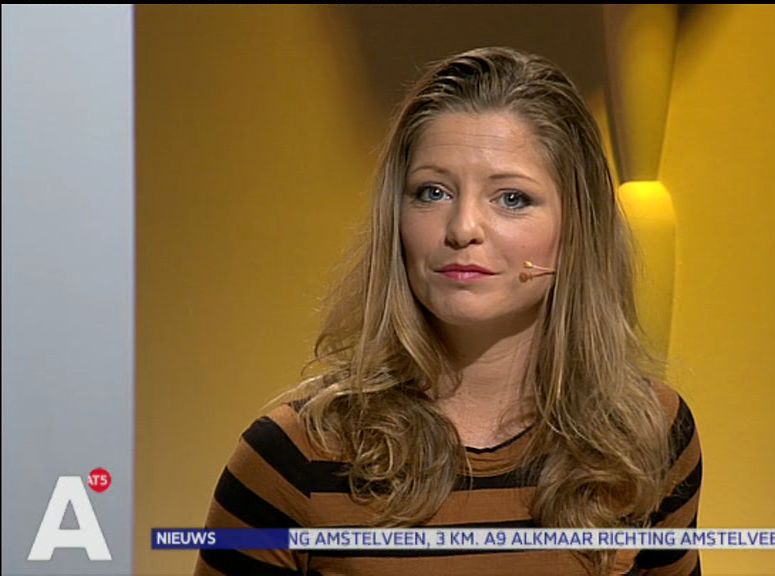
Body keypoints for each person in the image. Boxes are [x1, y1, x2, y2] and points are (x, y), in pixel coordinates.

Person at [194, 46, 702, 576]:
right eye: (432, 192)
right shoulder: (294, 456)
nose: (462, 229)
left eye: (511, 198)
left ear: (578, 227)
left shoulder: (648, 433)